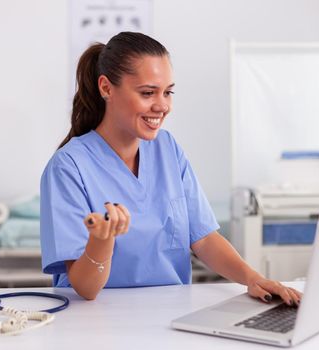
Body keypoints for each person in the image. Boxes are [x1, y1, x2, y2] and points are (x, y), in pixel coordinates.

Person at [40, 32, 302, 304]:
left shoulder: (167, 148)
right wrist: (102, 241)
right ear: (106, 88)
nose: (162, 106)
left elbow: (203, 238)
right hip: (97, 321)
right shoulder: (68, 166)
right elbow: (86, 288)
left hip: (172, 313)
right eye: (147, 93)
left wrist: (253, 278)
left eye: (168, 92)